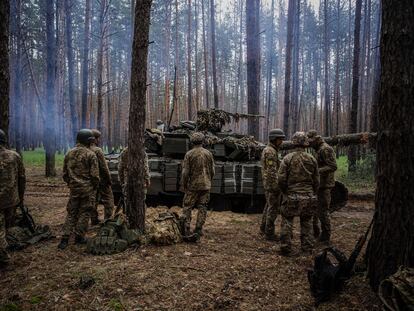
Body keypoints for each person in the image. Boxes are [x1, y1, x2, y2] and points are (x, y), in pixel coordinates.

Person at [278, 132, 319, 255]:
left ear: (294, 143)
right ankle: (307, 249)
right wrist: (312, 192)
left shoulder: (288, 158)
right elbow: (317, 180)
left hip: (291, 195)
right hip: (308, 195)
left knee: (287, 221)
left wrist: (285, 191)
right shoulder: (312, 159)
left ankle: (285, 248)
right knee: (307, 222)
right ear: (306, 143)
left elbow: (281, 179)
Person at [58, 129, 100, 250]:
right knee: (85, 212)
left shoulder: (69, 153)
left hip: (74, 189)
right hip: (87, 190)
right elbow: (95, 176)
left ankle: (64, 239)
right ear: (88, 141)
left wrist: (72, 184)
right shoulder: (90, 154)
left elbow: (65, 174)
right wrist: (94, 187)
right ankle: (79, 237)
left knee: (71, 213)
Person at [180, 132, 215, 237]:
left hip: (193, 185)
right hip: (206, 185)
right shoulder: (208, 153)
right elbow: (213, 170)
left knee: (187, 206)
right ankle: (199, 229)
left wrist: (184, 184)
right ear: (202, 141)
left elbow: (185, 172)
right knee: (203, 206)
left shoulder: (189, 154)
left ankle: (186, 228)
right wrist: (209, 180)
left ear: (192, 141)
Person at [0, 129, 26, 267]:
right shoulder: (14, 156)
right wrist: (20, 198)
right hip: (10, 199)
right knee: (6, 225)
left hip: (10, 199)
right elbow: (22, 178)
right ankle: (4, 257)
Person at [307, 130, 337, 243]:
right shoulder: (319, 149)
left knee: (323, 211)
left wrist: (316, 171)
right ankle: (317, 233)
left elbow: (333, 166)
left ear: (315, 139)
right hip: (320, 185)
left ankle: (325, 237)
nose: (309, 144)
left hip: (325, 186)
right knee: (316, 210)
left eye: (311, 141)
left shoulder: (325, 149)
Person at [260, 128, 285, 240]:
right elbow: (271, 171)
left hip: (270, 184)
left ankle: (263, 228)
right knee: (273, 208)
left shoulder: (272, 150)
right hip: (272, 185)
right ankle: (269, 233)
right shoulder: (270, 151)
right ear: (274, 139)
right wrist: (275, 186)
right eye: (280, 139)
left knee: (269, 206)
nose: (282, 141)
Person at [89, 129, 114, 223]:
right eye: (98, 138)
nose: (99, 140)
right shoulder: (97, 150)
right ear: (94, 139)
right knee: (108, 200)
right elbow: (104, 167)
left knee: (93, 200)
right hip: (101, 180)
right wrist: (108, 179)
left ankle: (94, 220)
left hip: (89, 181)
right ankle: (107, 220)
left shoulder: (84, 149)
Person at [117, 147, 150, 213]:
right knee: (140, 201)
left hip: (128, 180)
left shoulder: (125, 151)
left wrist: (121, 181)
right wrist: (147, 179)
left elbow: (120, 168)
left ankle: (128, 217)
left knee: (128, 201)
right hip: (140, 181)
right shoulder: (142, 152)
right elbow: (145, 168)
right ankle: (140, 218)